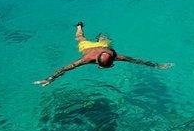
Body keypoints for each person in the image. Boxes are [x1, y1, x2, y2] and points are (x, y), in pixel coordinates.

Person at [34, 22, 173, 87]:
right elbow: (136, 61)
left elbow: (65, 69)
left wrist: (51, 78)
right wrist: (155, 65)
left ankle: (81, 27)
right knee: (80, 38)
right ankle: (79, 26)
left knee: (83, 39)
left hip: (101, 46)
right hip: (94, 46)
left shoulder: (105, 57)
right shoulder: (89, 58)